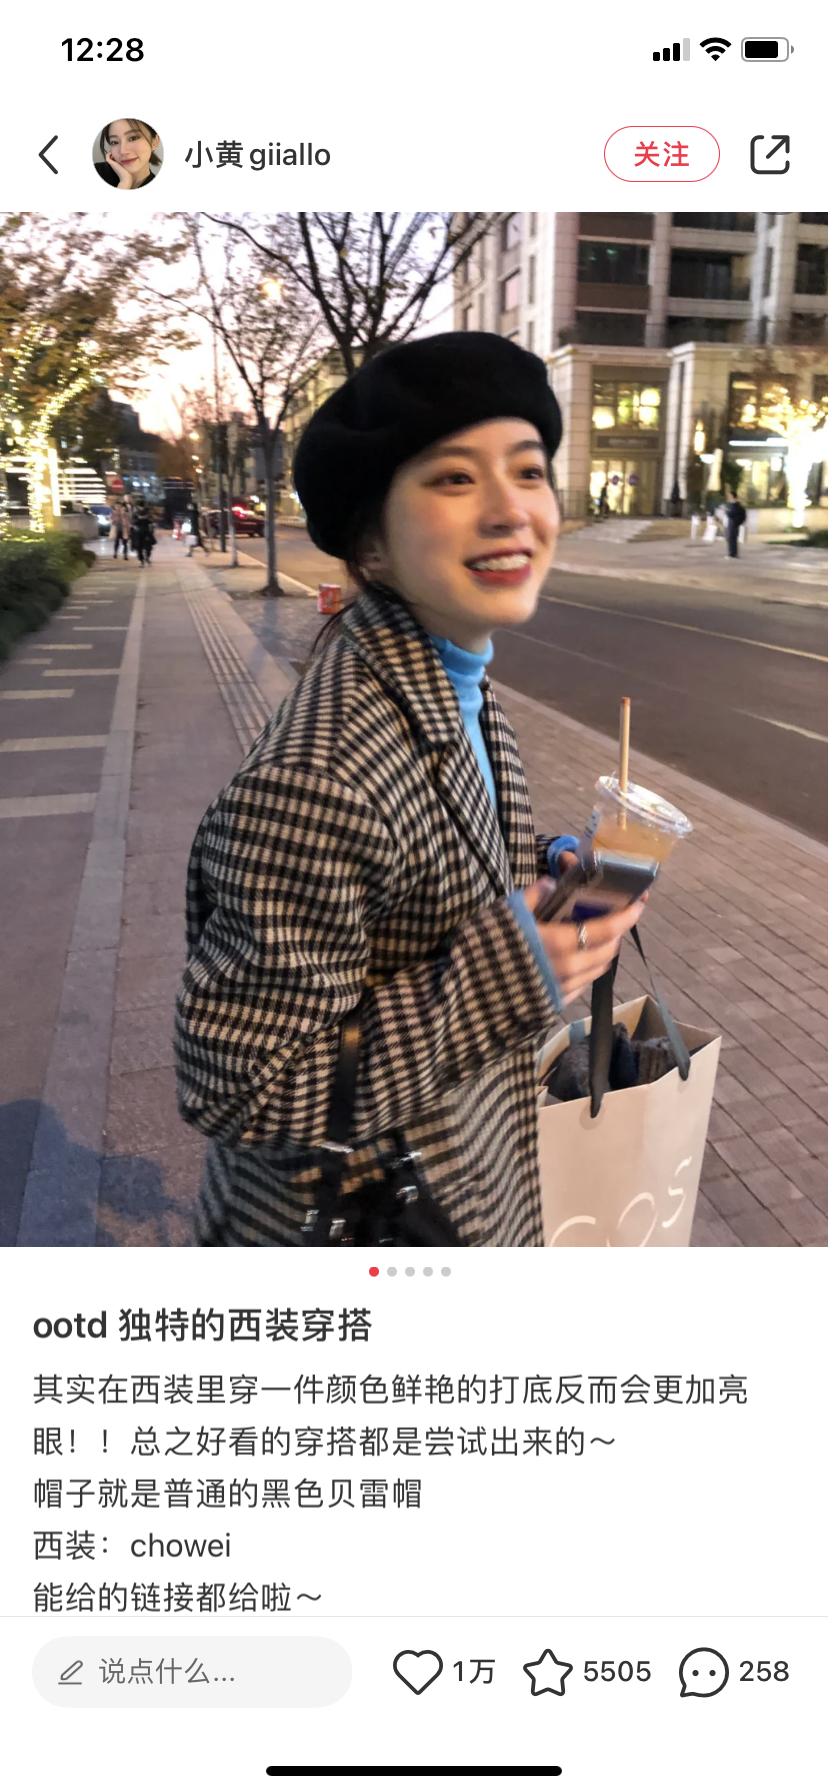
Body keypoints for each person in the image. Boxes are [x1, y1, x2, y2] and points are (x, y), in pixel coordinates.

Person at [174, 332, 646, 1247]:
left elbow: (427, 863)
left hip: (457, 1177)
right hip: (368, 1233)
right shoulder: (317, 776)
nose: (512, 510)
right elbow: (239, 1086)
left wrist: (545, 873)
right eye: (455, 478)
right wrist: (521, 967)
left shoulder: (455, 679)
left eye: (529, 470)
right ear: (372, 544)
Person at [96, 119, 161, 190]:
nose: (123, 151)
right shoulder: (98, 171)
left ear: (154, 143)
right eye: (115, 142)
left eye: (133, 138)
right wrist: (125, 182)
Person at [132, 498, 156, 566]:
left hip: (145, 532)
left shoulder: (147, 513)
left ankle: (145, 558)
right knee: (139, 547)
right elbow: (133, 522)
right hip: (139, 532)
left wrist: (143, 518)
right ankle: (142, 559)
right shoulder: (136, 513)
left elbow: (151, 521)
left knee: (147, 547)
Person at [725, 489, 747, 558]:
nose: (728, 497)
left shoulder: (735, 505)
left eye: (729, 495)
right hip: (734, 523)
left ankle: (732, 554)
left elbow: (731, 514)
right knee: (732, 538)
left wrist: (726, 511)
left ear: (732, 496)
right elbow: (743, 512)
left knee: (731, 538)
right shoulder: (736, 504)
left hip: (733, 523)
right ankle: (733, 553)